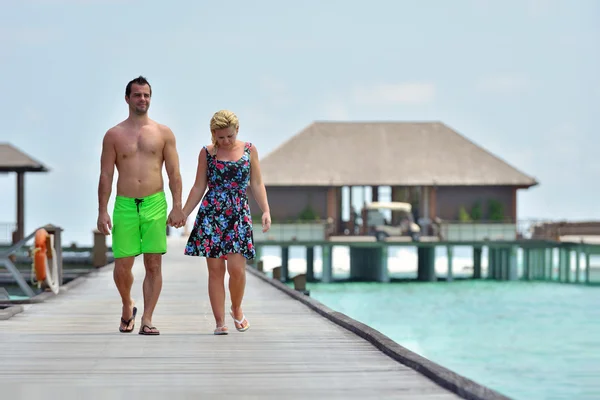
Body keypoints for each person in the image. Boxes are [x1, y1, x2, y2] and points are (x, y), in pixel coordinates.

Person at [97, 76, 186, 336]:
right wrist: (102, 210)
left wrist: (177, 206)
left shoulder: (163, 133)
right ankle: (128, 304)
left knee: (153, 264)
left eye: (146, 95)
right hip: (124, 204)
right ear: (127, 99)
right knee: (122, 266)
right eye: (137, 95)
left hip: (155, 203)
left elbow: (174, 173)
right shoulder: (113, 135)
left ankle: (147, 319)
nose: (142, 99)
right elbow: (105, 176)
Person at [182, 110, 271, 335]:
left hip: (239, 214)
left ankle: (236, 308)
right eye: (220, 137)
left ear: (236, 130)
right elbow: (198, 186)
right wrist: (184, 213)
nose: (225, 141)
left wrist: (266, 210)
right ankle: (220, 322)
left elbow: (257, 183)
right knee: (215, 271)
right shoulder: (207, 153)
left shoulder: (250, 150)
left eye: (229, 136)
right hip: (212, 214)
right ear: (213, 134)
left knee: (237, 270)